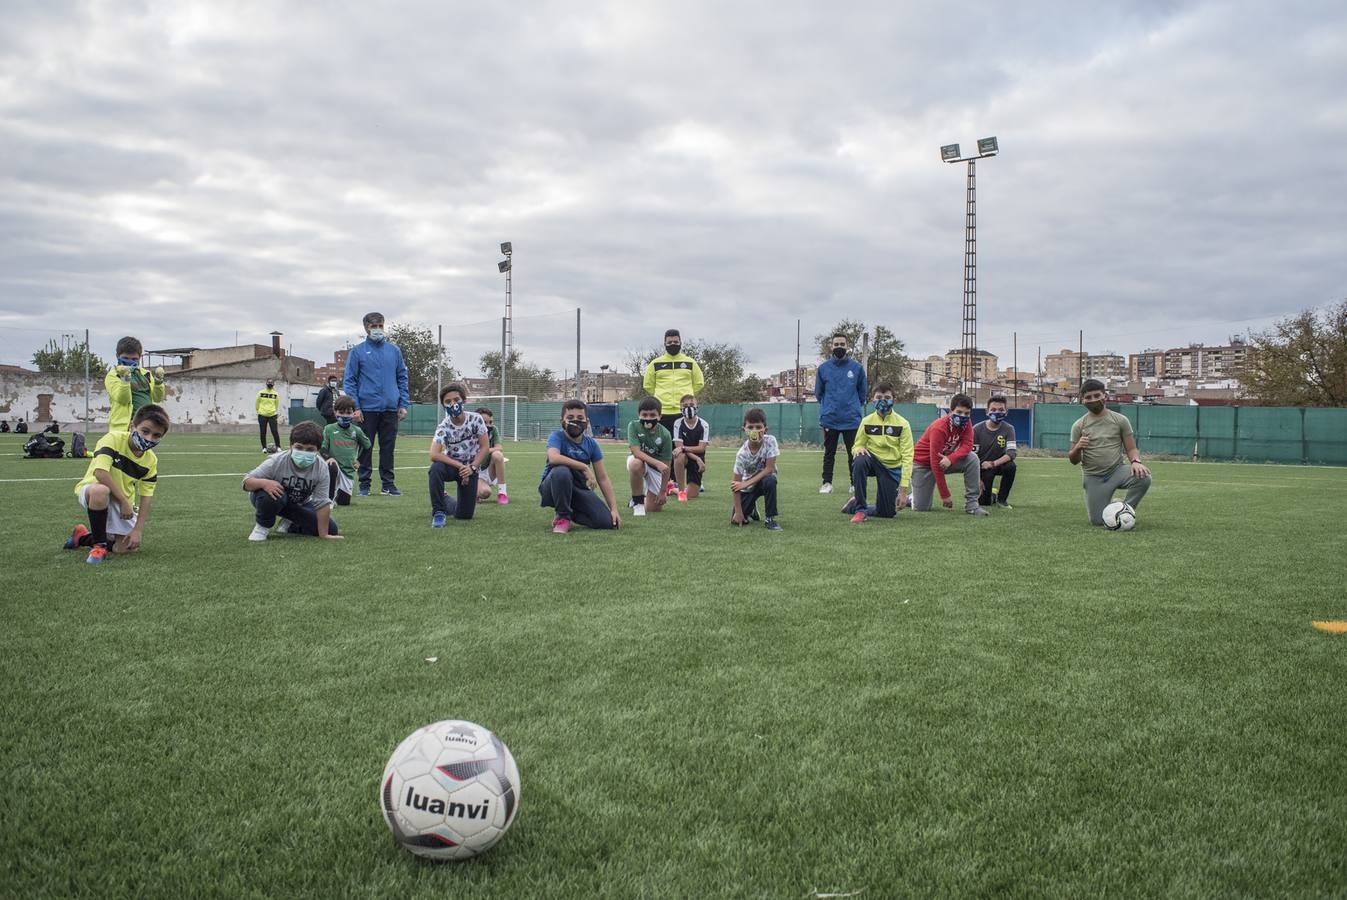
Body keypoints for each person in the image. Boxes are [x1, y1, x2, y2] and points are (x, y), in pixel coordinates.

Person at [64, 403, 170, 565]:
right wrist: (124, 501)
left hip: (122, 502)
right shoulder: (112, 439)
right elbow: (100, 473)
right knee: (101, 490)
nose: (149, 439)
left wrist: (137, 530)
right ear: (132, 427)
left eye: (156, 435)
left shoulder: (150, 461)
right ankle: (99, 547)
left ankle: (83, 537)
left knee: (126, 548)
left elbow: (146, 496)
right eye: (145, 431)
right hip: (94, 491)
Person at [1069, 379, 1153, 526]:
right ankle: (1114, 505)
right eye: (1088, 397)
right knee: (1098, 522)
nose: (1093, 400)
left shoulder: (1120, 420)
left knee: (1143, 477)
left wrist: (1136, 462)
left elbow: (1131, 448)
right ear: (1082, 400)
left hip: (1117, 471)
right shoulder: (1078, 425)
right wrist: (1078, 448)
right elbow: (1073, 460)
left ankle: (1124, 510)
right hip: (1094, 477)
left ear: (1105, 396)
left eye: (1097, 395)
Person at [344, 311, 410, 496]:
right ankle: (364, 485)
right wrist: (355, 407)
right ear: (366, 327)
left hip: (391, 407)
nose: (378, 329)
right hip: (366, 409)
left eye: (381, 325)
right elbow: (350, 381)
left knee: (388, 448)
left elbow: (402, 377)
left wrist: (403, 403)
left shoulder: (394, 350)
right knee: (365, 447)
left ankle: (388, 485)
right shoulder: (357, 352)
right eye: (374, 326)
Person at [243, 421, 341, 541]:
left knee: (331, 529)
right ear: (290, 446)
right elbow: (247, 482)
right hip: (272, 498)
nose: (304, 452)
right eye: (299, 447)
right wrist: (265, 483)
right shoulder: (276, 461)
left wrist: (324, 534)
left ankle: (289, 524)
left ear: (318, 450)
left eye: (310, 449)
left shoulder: (321, 467)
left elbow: (322, 503)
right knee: (270, 497)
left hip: (299, 504)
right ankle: (261, 528)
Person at [540, 400, 621, 533]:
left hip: (578, 489)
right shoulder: (556, 437)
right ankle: (562, 517)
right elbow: (554, 458)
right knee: (561, 471)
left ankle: (570, 512)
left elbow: (603, 478)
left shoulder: (591, 444)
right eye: (570, 418)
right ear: (562, 421)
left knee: (606, 522)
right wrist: (584, 467)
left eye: (580, 418)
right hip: (552, 488)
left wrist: (614, 509)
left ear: (587, 422)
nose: (575, 421)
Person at [842, 382, 913, 522]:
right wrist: (858, 448)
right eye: (879, 397)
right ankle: (861, 509)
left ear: (894, 399)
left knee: (886, 513)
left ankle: (852, 506)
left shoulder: (903, 424)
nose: (883, 401)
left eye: (887, 397)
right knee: (860, 459)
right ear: (872, 400)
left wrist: (904, 489)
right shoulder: (866, 421)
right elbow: (856, 445)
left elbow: (907, 456)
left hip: (890, 468)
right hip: (872, 461)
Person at [911, 393, 988, 516]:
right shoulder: (939, 427)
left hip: (944, 460)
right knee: (921, 508)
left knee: (972, 458)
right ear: (950, 411)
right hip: (922, 464)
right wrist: (945, 494)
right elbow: (934, 462)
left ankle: (972, 505)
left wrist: (951, 459)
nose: (963, 416)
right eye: (959, 412)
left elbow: (967, 445)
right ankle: (913, 497)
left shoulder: (966, 424)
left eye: (967, 413)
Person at [427, 384, 489, 527]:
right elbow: (434, 454)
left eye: (456, 399)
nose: (453, 404)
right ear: (443, 405)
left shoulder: (476, 419)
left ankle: (445, 498)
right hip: (452, 466)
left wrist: (472, 467)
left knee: (465, 515)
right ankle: (438, 512)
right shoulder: (443, 426)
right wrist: (461, 466)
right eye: (448, 402)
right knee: (435, 468)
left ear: (464, 400)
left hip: (471, 468)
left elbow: (485, 447)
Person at [814, 332, 868, 494]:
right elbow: (818, 393)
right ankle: (827, 483)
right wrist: (829, 407)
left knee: (854, 453)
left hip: (851, 419)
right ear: (831, 347)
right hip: (830, 419)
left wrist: (852, 406)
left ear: (847, 346)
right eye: (836, 344)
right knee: (829, 453)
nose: (839, 347)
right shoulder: (823, 369)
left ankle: (854, 484)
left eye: (842, 344)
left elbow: (862, 393)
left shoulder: (857, 368)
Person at [642, 329, 705, 436]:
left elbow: (699, 383)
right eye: (669, 342)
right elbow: (647, 385)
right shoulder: (655, 363)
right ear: (664, 344)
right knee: (662, 446)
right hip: (662, 411)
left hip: (684, 411)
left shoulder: (690, 362)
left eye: (675, 342)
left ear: (680, 343)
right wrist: (660, 397)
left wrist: (687, 397)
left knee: (683, 447)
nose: (673, 344)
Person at [730, 408, 782, 531]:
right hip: (747, 490)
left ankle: (770, 519)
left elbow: (769, 469)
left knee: (770, 480)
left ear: (765, 429)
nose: (755, 430)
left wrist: (746, 483)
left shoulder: (770, 441)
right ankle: (751, 508)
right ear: (744, 430)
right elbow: (735, 485)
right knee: (737, 519)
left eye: (758, 427)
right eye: (750, 427)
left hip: (762, 481)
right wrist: (738, 512)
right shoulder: (742, 455)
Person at [105, 336, 166, 433]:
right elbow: (123, 399)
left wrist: (159, 382)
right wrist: (125, 379)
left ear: (139, 358)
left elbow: (157, 398)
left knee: (143, 448)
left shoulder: (146, 374)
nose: (130, 361)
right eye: (125, 358)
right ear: (117, 356)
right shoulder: (113, 375)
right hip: (123, 428)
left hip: (145, 425)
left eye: (134, 359)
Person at [627, 397, 674, 517]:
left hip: (655, 470)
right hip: (640, 463)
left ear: (660, 416)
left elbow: (666, 466)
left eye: (652, 414)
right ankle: (638, 503)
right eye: (644, 414)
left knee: (653, 509)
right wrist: (657, 463)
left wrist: (663, 492)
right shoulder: (633, 425)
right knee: (635, 464)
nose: (648, 418)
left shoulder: (665, 434)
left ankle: (642, 498)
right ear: (639, 415)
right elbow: (636, 452)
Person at [321, 396, 370, 506]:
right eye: (341, 412)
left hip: (348, 471)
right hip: (332, 468)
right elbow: (323, 448)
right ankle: (328, 499)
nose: (344, 415)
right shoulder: (329, 429)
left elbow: (367, 446)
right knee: (332, 466)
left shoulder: (357, 431)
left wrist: (359, 460)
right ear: (335, 412)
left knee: (344, 502)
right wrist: (328, 458)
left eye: (348, 412)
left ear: (353, 413)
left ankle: (336, 495)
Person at [975, 395, 1018, 509]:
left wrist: (993, 463)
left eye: (1001, 410)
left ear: (1006, 412)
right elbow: (971, 457)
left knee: (1011, 466)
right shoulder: (976, 429)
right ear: (987, 411)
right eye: (993, 410)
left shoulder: (1009, 429)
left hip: (999, 465)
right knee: (984, 502)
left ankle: (1002, 500)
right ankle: (993, 496)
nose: (997, 412)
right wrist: (977, 479)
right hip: (983, 468)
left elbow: (1011, 453)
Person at [672, 394, 709, 501]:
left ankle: (672, 489)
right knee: (678, 455)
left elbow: (701, 448)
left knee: (692, 495)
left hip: (698, 459)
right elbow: (678, 448)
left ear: (697, 407)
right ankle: (681, 491)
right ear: (681, 409)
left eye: (692, 404)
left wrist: (697, 458)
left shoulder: (704, 424)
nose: (689, 407)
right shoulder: (678, 423)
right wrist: (696, 458)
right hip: (689, 457)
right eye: (685, 405)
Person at [474, 407, 509, 505]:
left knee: (497, 455)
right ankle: (474, 491)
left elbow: (499, 447)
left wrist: (485, 450)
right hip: (475, 472)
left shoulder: (493, 430)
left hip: (489, 470)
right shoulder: (469, 432)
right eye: (484, 422)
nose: (488, 425)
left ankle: (502, 492)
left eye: (490, 422)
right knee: (485, 493)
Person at [256, 378, 281, 452]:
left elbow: (276, 404)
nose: (270, 384)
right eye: (268, 383)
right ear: (266, 384)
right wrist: (259, 411)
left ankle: (278, 447)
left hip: (272, 415)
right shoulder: (260, 393)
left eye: (271, 383)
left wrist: (273, 411)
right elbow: (257, 403)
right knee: (263, 431)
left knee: (274, 431)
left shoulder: (275, 394)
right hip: (262, 415)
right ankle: (264, 448)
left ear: (273, 385)